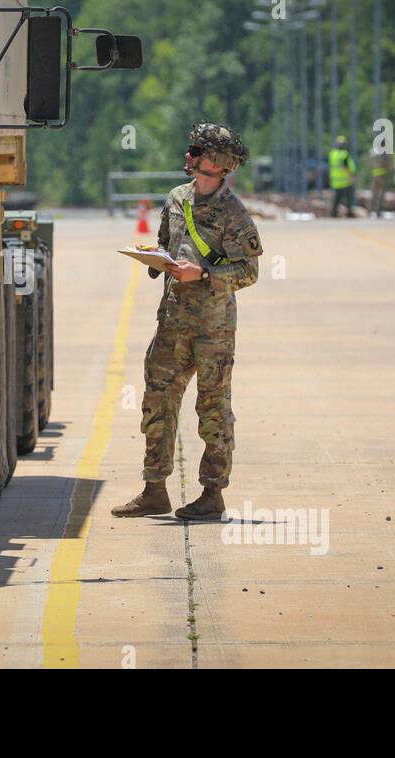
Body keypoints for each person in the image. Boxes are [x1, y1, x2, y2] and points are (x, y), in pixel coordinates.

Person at [112, 123, 263, 522]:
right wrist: (153, 259)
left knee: (213, 408)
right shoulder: (177, 199)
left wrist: (206, 276)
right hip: (172, 321)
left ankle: (212, 494)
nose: (188, 155)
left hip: (213, 328)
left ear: (216, 163)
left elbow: (249, 271)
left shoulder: (234, 214)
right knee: (157, 402)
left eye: (195, 150)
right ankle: (153, 489)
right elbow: (166, 242)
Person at [328, 136, 358, 218]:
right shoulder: (344, 154)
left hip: (335, 182)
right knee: (349, 198)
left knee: (336, 199)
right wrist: (352, 177)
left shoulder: (332, 154)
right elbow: (347, 167)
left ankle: (334, 213)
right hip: (345, 181)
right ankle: (349, 213)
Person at [370, 151, 392, 217]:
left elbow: (369, 163)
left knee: (374, 193)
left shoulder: (372, 152)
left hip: (374, 175)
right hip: (382, 175)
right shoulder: (384, 153)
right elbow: (388, 164)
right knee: (380, 194)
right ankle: (378, 211)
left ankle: (371, 210)